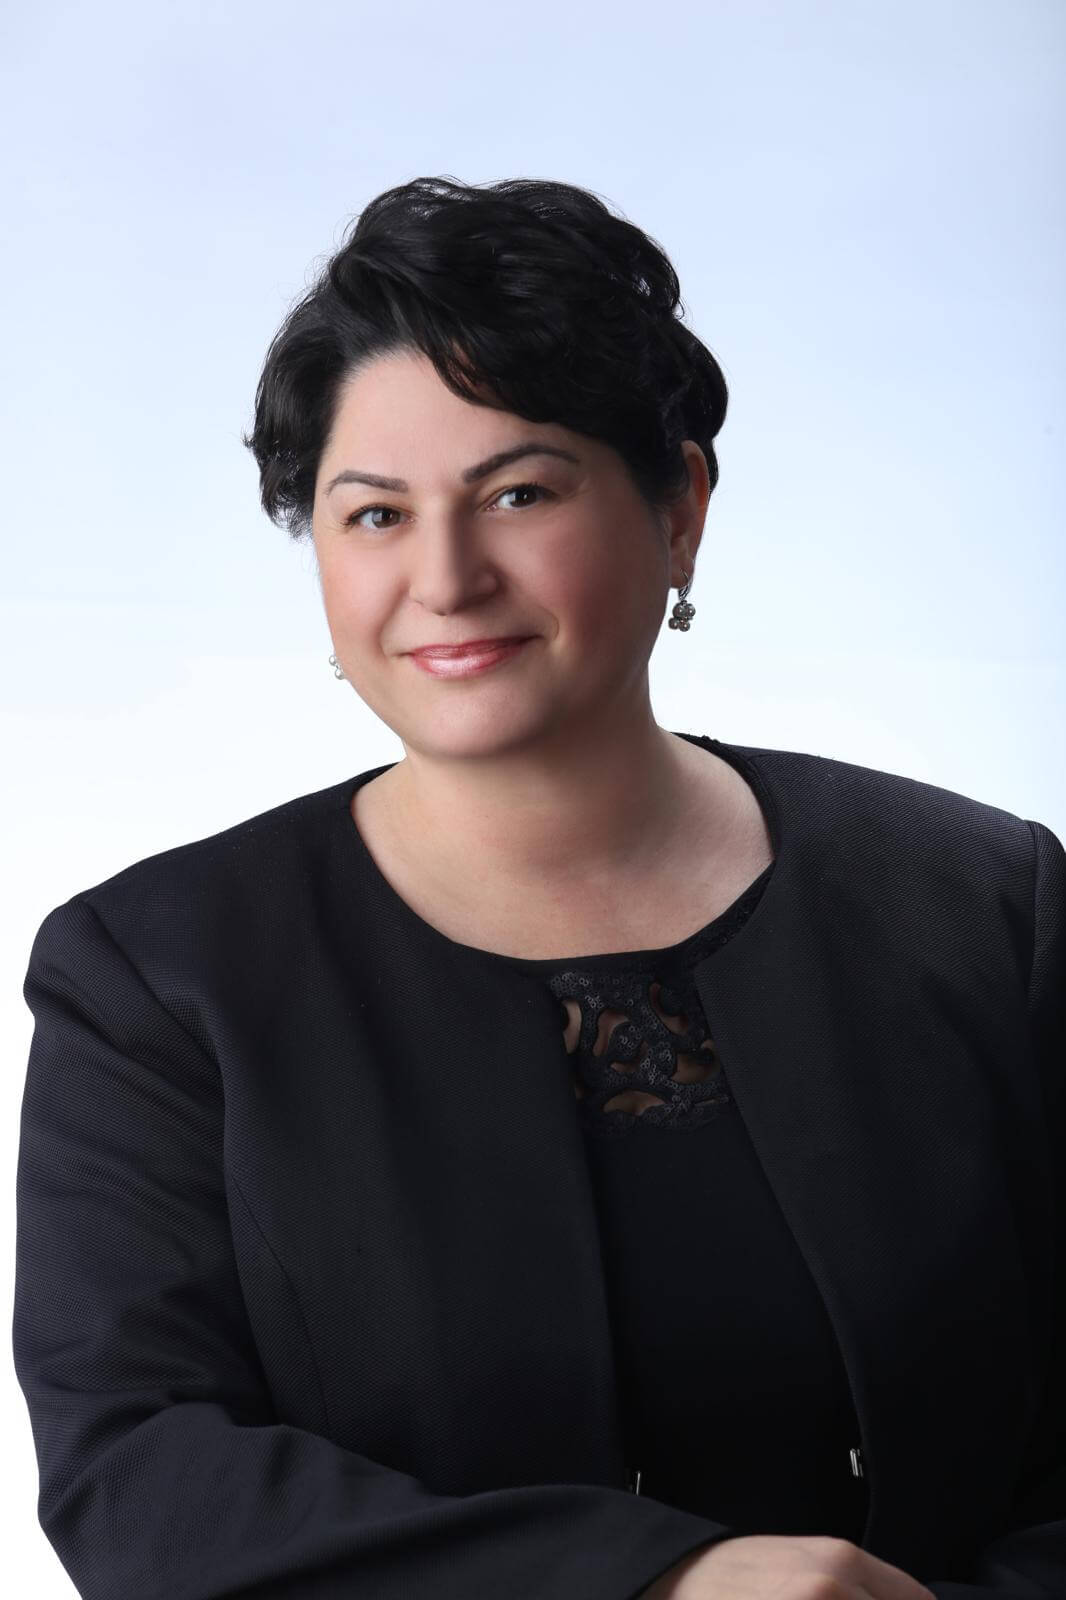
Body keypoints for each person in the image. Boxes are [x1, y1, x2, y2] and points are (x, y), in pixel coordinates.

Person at [12, 176, 1063, 1600]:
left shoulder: (985, 906)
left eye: (518, 493)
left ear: (679, 508)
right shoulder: (155, 975)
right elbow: (139, 1477)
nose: (445, 578)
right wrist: (661, 1585)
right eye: (374, 516)